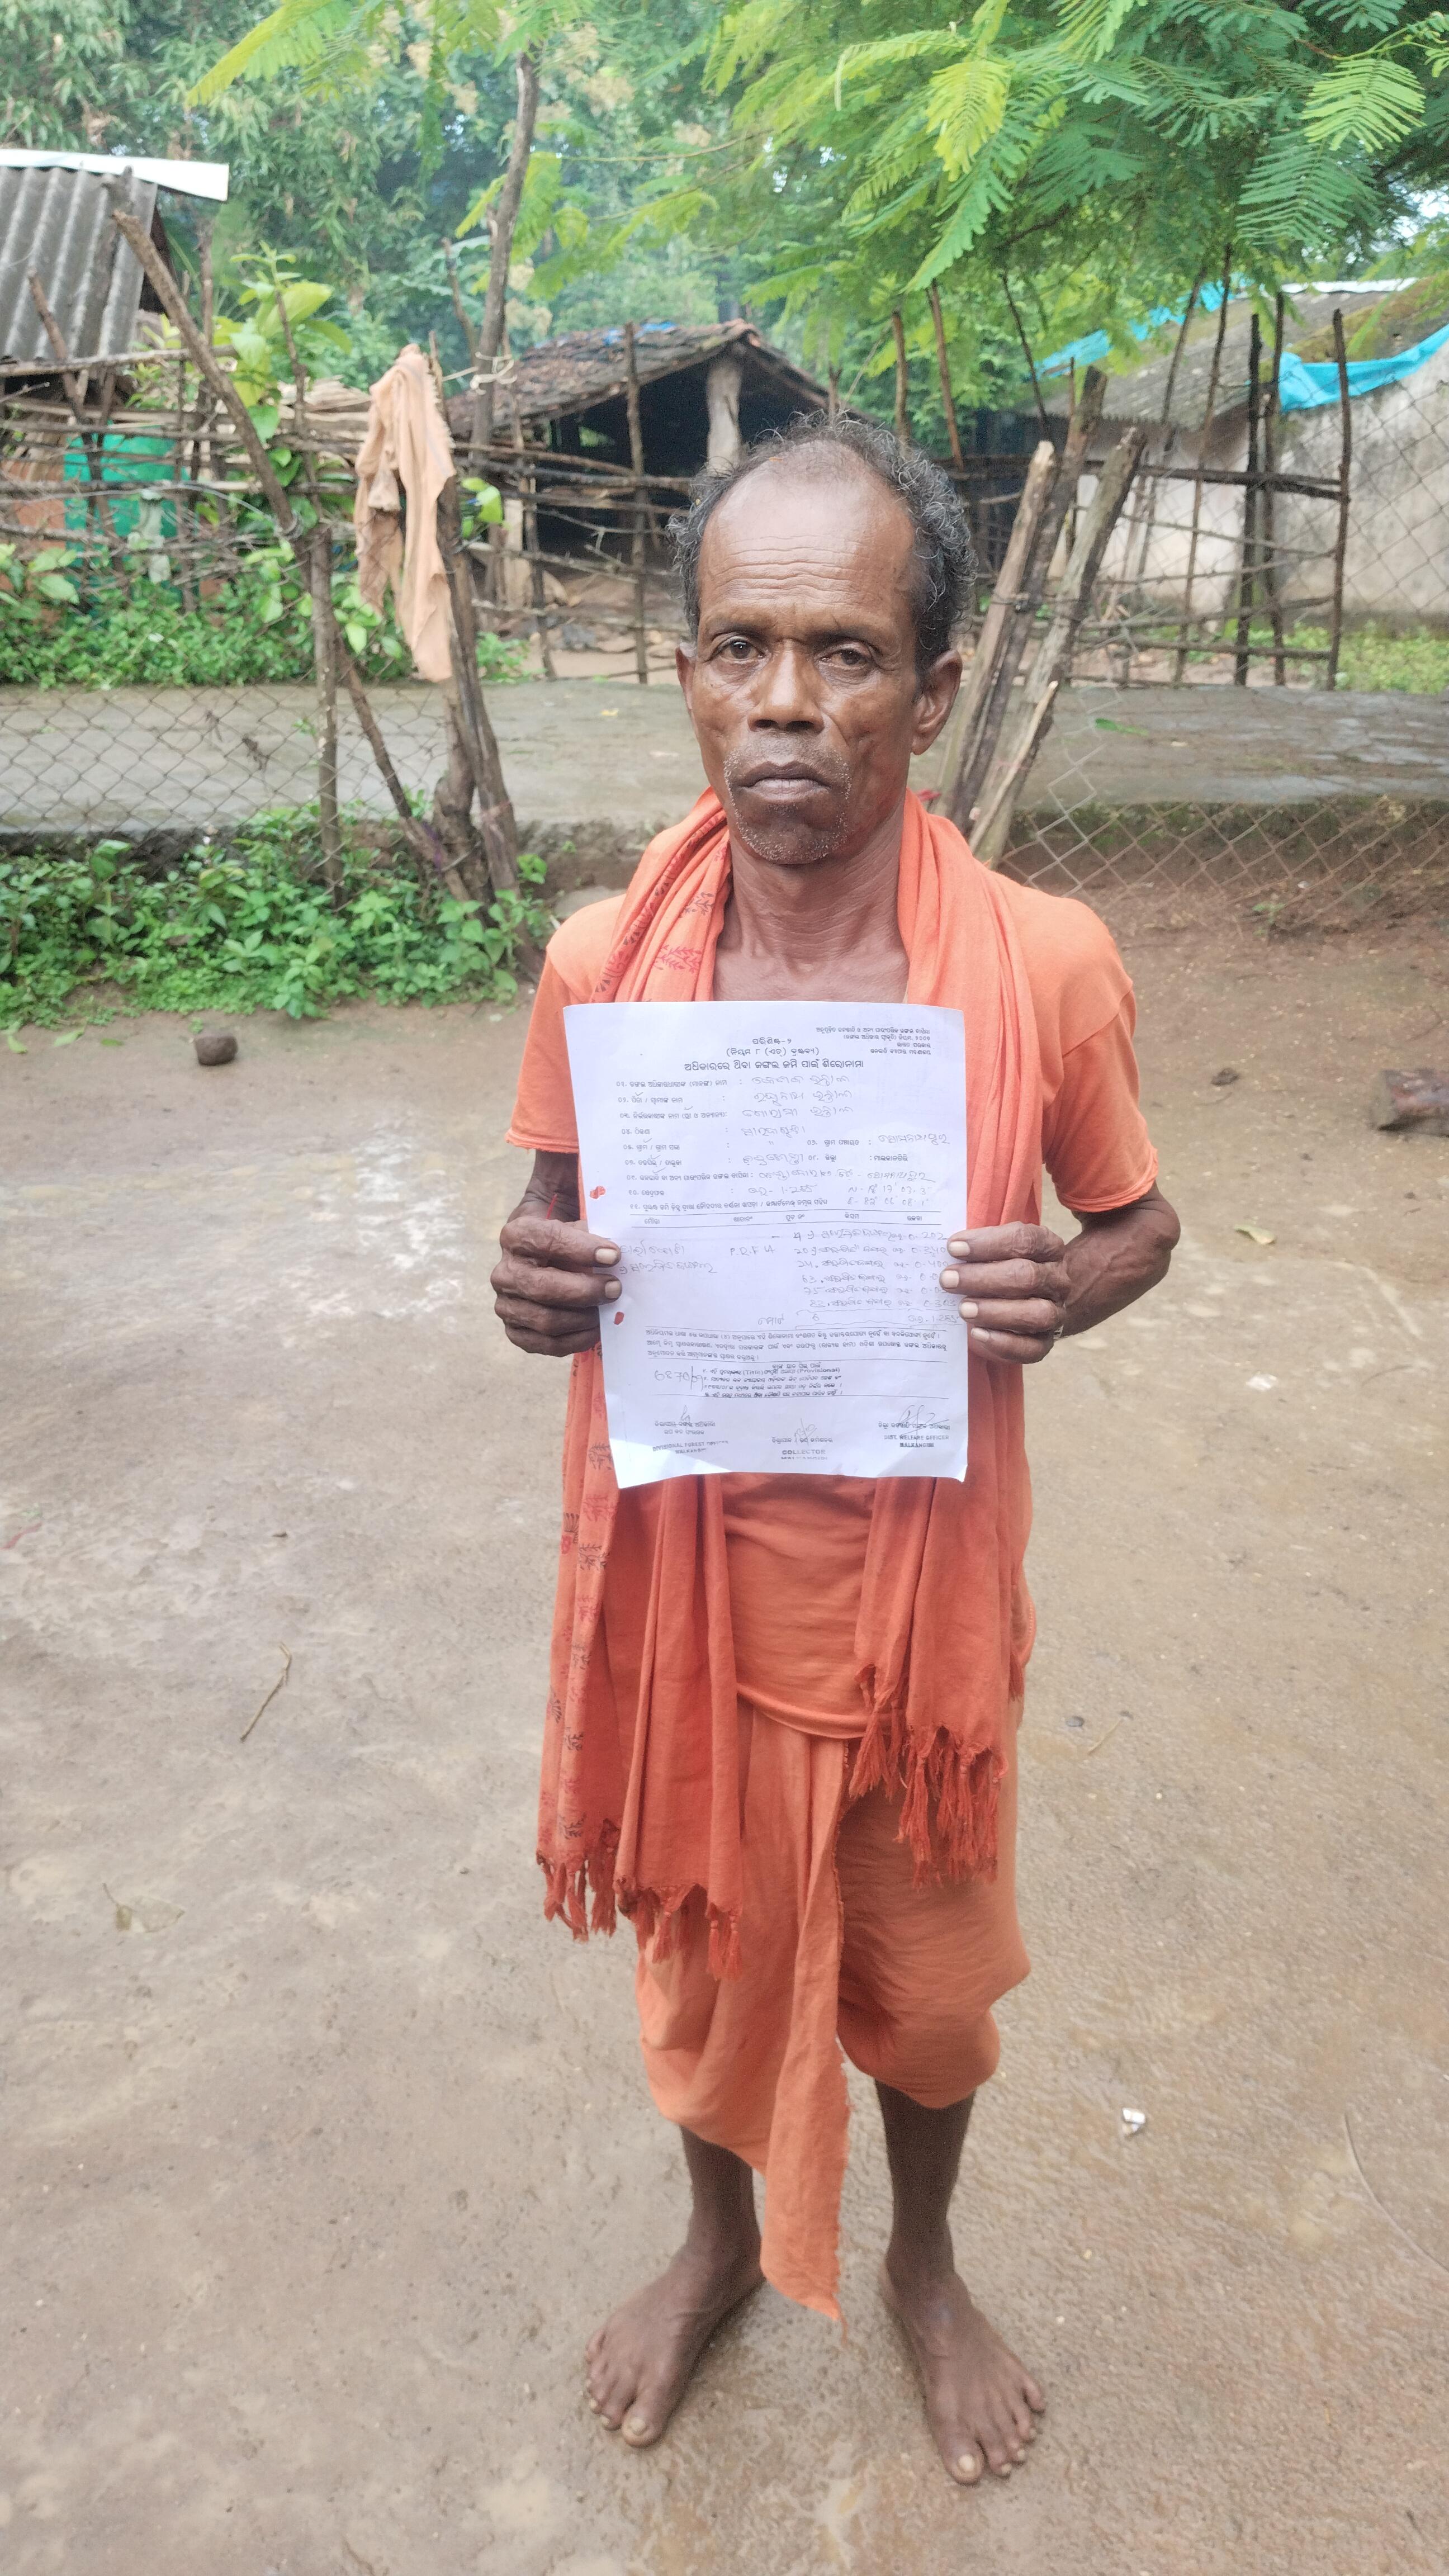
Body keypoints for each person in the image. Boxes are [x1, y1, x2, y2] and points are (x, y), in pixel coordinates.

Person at [491, 415, 1178, 2487]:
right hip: (686, 1615)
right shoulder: (610, 966)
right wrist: (532, 1286)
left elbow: (1138, 1222)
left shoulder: (1039, 967)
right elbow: (548, 1223)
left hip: (914, 1636)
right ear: (687, 673)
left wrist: (1062, 1287)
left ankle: (924, 2264)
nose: (785, 703)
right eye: (740, 647)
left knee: (931, 1997)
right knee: (705, 1970)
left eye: (847, 653)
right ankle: (716, 2243)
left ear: (932, 693)